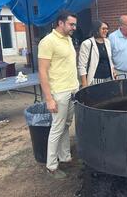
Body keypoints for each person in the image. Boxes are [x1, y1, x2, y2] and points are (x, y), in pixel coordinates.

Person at [38, 11, 79, 179]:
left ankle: (65, 156)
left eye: (75, 24)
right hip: (59, 92)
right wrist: (49, 99)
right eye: (71, 24)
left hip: (72, 89)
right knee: (57, 127)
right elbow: (42, 71)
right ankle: (51, 166)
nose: (74, 28)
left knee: (66, 125)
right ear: (60, 23)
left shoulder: (68, 39)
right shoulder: (48, 41)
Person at [78, 20, 115, 87]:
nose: (106, 31)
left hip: (109, 78)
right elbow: (82, 66)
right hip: (95, 79)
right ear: (96, 30)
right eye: (103, 29)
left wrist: (113, 71)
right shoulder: (87, 44)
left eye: (107, 29)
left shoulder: (107, 42)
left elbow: (109, 60)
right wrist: (84, 84)